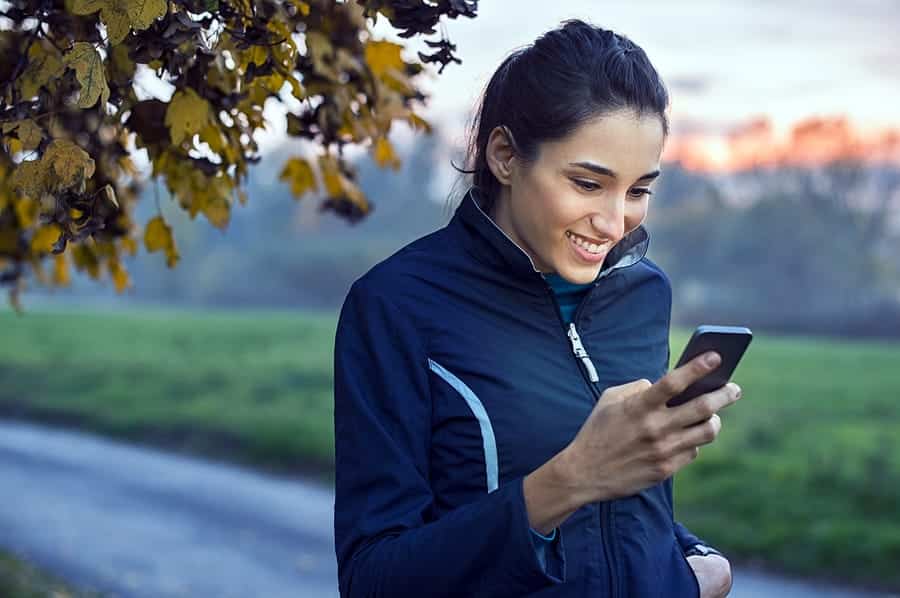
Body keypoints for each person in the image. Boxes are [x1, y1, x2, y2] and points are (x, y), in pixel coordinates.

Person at [333, 18, 741, 598]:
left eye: (638, 190)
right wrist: (568, 480)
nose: (613, 221)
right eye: (587, 183)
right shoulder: (395, 308)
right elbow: (374, 578)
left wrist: (694, 565)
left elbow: (624, 517)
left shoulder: (645, 294)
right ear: (504, 155)